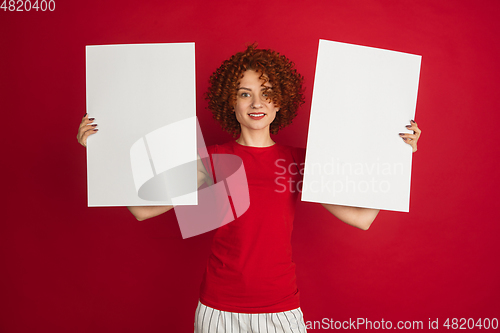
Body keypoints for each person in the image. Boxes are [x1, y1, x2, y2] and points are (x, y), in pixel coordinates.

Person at [77, 44, 422, 333]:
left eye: (267, 93)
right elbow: (142, 209)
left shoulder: (300, 162)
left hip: (282, 311)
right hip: (218, 311)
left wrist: (396, 157)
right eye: (245, 94)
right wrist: (101, 151)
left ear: (280, 101)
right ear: (231, 102)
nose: (257, 103)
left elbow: (361, 218)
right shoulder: (209, 159)